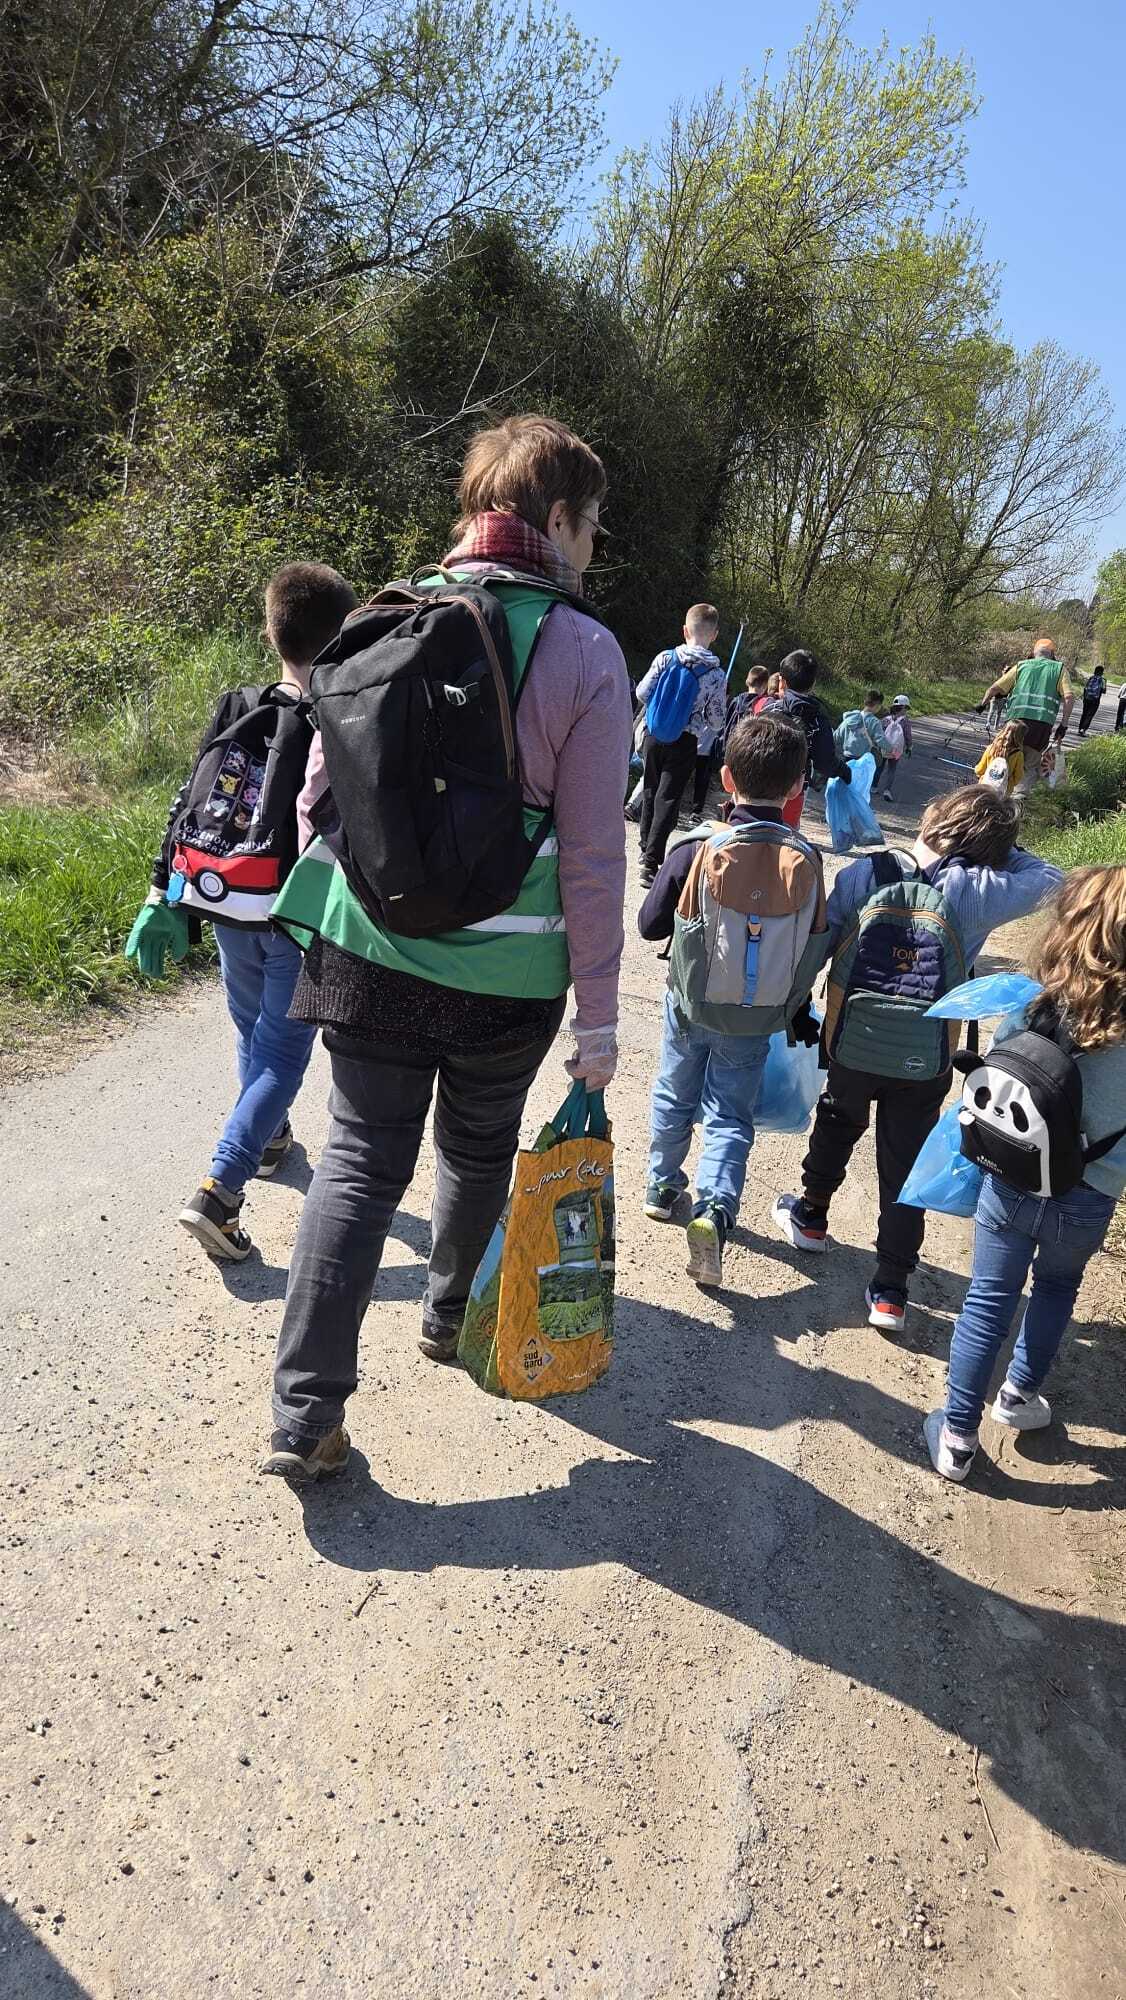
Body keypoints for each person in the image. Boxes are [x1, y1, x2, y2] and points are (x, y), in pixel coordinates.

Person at [258, 413, 632, 1481]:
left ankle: (303, 1417)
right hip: (506, 980)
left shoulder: (384, 613)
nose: (594, 544)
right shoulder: (585, 651)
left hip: (364, 950)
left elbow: (319, 793)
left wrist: (356, 897)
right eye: (593, 524)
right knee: (473, 1150)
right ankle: (446, 1312)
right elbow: (596, 856)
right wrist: (598, 1021)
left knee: (361, 1161)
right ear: (556, 519)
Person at [125, 561, 359, 1260]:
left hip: (226, 897)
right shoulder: (341, 717)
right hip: (294, 914)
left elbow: (187, 803)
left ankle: (272, 1135)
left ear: (270, 630)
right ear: (346, 635)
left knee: (251, 1027)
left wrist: (161, 893)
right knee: (283, 1055)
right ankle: (219, 1191)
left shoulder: (237, 705)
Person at [772, 785, 1063, 1331]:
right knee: (905, 1159)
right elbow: (1054, 881)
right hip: (926, 1052)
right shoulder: (977, 891)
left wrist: (794, 1008)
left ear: (935, 818)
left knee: (838, 1119)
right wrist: (994, 851)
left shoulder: (865, 873)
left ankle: (811, 1216)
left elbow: (821, 944)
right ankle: (890, 1288)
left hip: (854, 1039)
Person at [925, 866, 1126, 1483]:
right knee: (1058, 1288)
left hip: (1013, 1177)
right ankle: (1019, 1395)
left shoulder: (1032, 999)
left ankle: (957, 1434)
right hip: (1092, 1191)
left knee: (988, 1298)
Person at [639, 713, 828, 1288]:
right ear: (797, 787)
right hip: (755, 1019)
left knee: (675, 1091)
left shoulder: (696, 848)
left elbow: (649, 925)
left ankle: (662, 1185)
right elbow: (815, 948)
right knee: (730, 1115)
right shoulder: (808, 861)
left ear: (725, 777)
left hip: (691, 1002)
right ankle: (715, 1211)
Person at [635, 605, 727, 884]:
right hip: (686, 740)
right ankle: (651, 864)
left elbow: (642, 692)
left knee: (650, 788)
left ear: (685, 630)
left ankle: (643, 848)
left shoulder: (665, 658)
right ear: (715, 635)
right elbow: (716, 721)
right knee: (669, 797)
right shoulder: (715, 674)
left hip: (654, 733)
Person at [760, 648, 850, 830]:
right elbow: (825, 761)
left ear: (782, 682)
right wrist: (844, 771)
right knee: (785, 837)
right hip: (793, 790)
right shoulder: (818, 719)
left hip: (757, 784)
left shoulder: (768, 709)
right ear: (813, 684)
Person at [977, 639, 1073, 797]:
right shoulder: (1060, 669)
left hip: (1014, 724)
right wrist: (1064, 725)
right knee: (1028, 766)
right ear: (1052, 654)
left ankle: (992, 797)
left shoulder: (1021, 666)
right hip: (1040, 728)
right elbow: (1069, 698)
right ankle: (1017, 801)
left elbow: (994, 688)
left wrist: (982, 704)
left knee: (1003, 759)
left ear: (1034, 652)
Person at [835, 688, 890, 775]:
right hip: (862, 762)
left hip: (845, 759)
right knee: (859, 786)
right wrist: (891, 748)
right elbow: (880, 740)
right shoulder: (874, 722)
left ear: (865, 702)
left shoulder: (850, 718)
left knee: (844, 784)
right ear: (878, 705)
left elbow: (836, 737)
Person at [974, 719, 1026, 798]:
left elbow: (980, 770)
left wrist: (976, 769)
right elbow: (1017, 777)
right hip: (1004, 792)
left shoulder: (991, 748)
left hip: (984, 787)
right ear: (1020, 737)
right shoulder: (1018, 755)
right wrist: (1010, 782)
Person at [880, 694, 913, 800]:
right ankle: (887, 790)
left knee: (879, 767)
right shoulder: (905, 721)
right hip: (896, 750)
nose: (906, 710)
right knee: (891, 769)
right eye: (906, 708)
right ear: (903, 708)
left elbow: (880, 732)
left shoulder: (886, 719)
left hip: (883, 747)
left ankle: (873, 786)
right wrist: (909, 747)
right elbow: (908, 736)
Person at [1077, 665, 1106, 736]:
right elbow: (1104, 691)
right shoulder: (1102, 680)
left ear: (1095, 671)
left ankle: (1079, 729)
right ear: (1102, 672)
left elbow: (1085, 688)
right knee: (1090, 715)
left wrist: (1084, 698)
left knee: (1084, 714)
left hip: (1087, 699)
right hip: (1095, 700)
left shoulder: (1091, 678)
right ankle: (1083, 730)